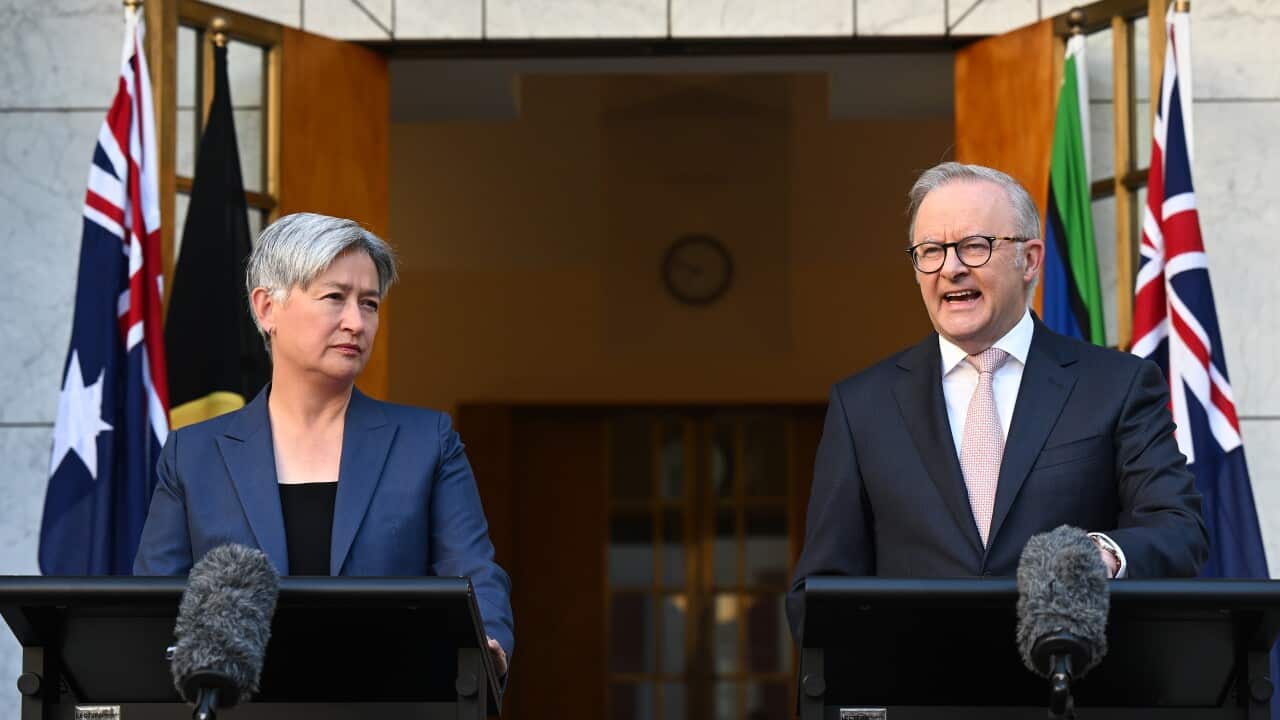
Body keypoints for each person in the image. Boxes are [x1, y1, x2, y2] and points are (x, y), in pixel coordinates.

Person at [786, 162, 1208, 640]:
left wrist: (1100, 555)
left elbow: (1178, 527)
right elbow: (821, 588)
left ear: (1029, 260)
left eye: (973, 246)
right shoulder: (862, 405)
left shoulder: (1118, 385)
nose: (950, 268)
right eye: (930, 251)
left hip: (1072, 688)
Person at [134, 212, 512, 675]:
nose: (356, 322)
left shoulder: (427, 443)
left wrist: (488, 645)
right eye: (335, 297)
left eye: (369, 304)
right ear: (266, 308)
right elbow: (152, 605)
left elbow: (474, 572)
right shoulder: (193, 455)